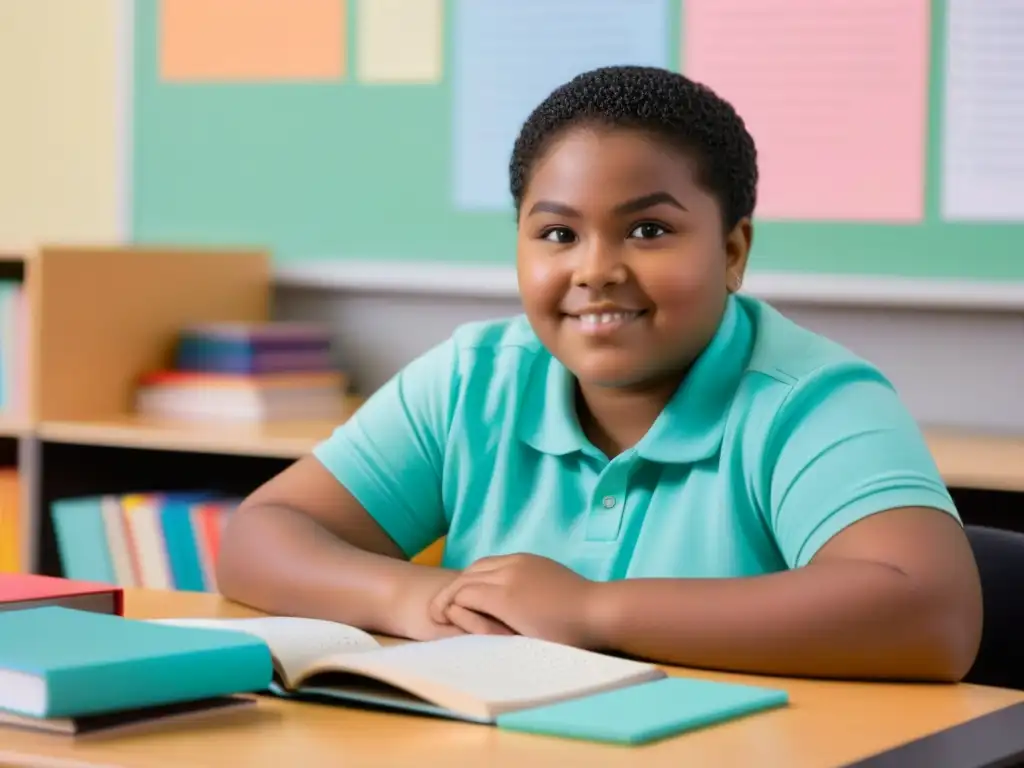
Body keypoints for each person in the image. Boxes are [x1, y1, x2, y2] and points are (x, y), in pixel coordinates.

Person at [218, 65, 982, 682]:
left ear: (733, 250)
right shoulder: (471, 380)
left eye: (649, 230)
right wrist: (415, 594)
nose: (596, 270)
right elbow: (260, 536)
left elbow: (931, 616)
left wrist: (592, 611)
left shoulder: (807, 400)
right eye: (557, 233)